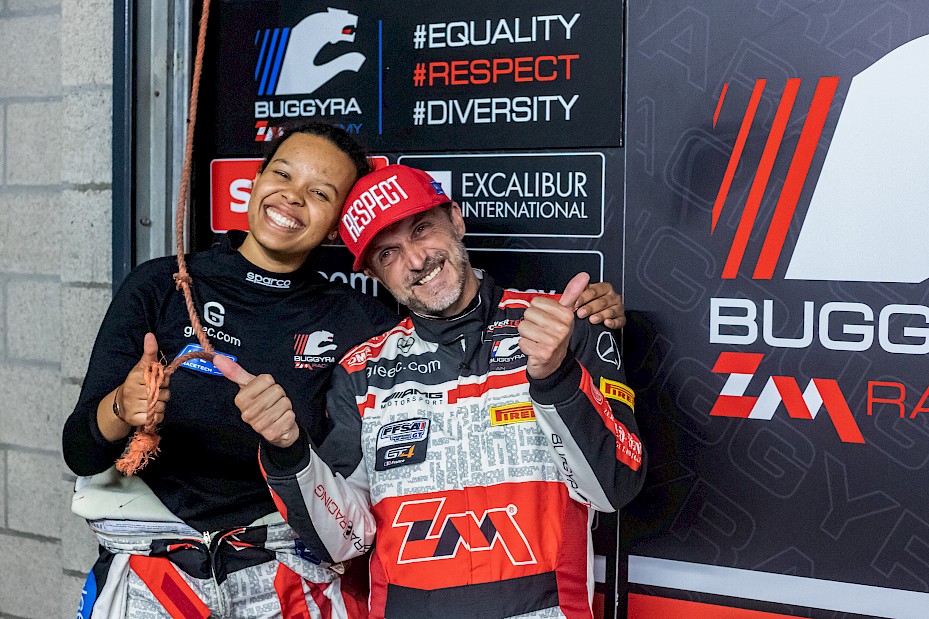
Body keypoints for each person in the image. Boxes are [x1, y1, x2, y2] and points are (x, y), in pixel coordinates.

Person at [63, 126, 625, 617]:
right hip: (154, 567)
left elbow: (454, 323)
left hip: (281, 572)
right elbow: (80, 452)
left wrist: (589, 317)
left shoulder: (361, 323)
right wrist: (120, 409)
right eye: (283, 174)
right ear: (253, 181)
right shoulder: (163, 284)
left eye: (320, 193)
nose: (292, 197)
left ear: (337, 226)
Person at [217, 164, 646, 618]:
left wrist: (556, 377)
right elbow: (344, 541)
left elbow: (614, 487)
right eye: (389, 254)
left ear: (456, 220)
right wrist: (288, 450)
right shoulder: (361, 372)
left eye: (422, 230)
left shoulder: (560, 326)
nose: (416, 260)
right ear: (375, 275)